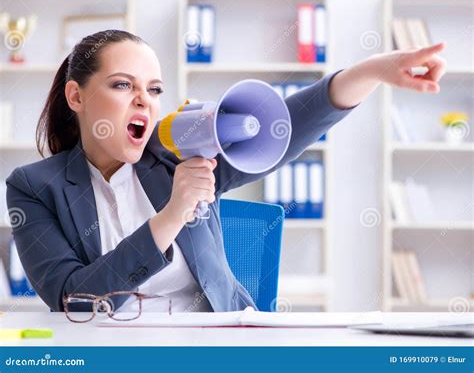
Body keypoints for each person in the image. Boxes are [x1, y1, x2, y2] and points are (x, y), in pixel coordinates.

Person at [6, 30, 446, 312]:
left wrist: (374, 70)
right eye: (123, 84)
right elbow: (74, 300)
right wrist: (172, 214)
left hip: (218, 346)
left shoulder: (173, 152)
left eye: (154, 89)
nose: (144, 99)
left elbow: (286, 126)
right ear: (76, 97)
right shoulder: (33, 187)